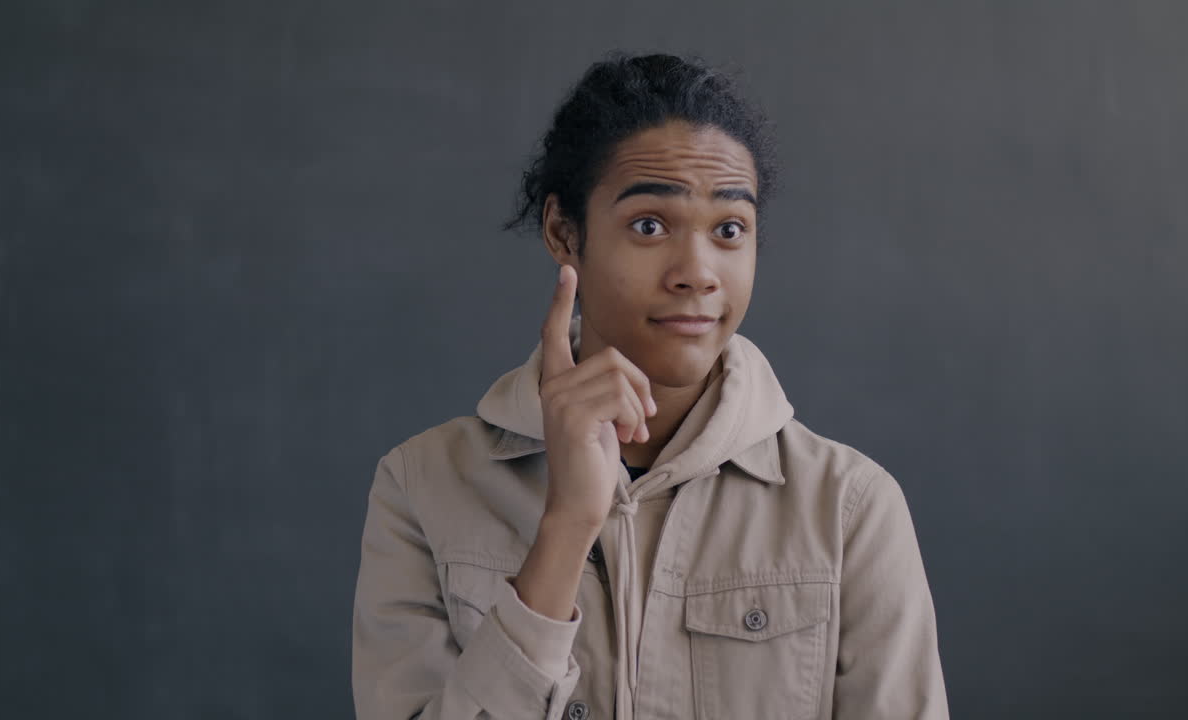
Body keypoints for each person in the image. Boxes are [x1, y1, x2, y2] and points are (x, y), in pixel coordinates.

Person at [351, 51, 949, 720]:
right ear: (563, 233)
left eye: (729, 229)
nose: (697, 271)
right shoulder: (422, 485)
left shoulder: (848, 508)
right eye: (649, 225)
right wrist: (568, 524)